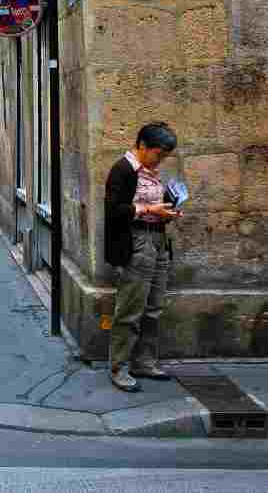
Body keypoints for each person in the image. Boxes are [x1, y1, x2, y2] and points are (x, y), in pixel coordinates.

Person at [106, 122, 182, 393]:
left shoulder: (152, 172)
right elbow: (114, 211)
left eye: (164, 155)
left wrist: (169, 212)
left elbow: (152, 206)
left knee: (154, 306)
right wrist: (150, 208)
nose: (161, 159)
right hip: (136, 242)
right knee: (130, 308)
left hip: (158, 239)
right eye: (158, 153)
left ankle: (145, 362)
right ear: (142, 146)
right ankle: (119, 367)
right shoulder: (123, 170)